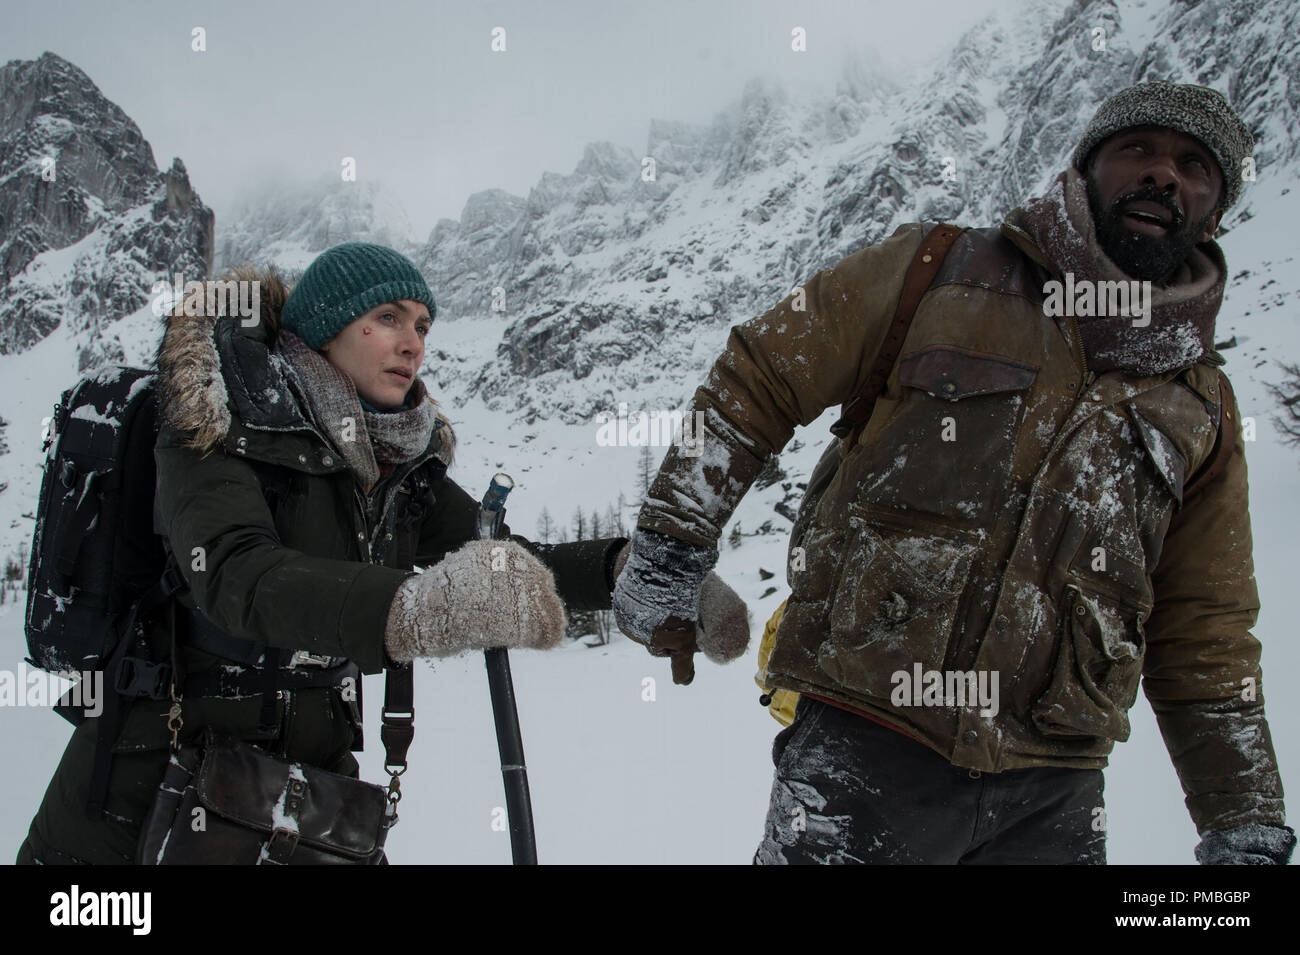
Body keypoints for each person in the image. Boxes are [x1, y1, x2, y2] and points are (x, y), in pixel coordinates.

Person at [613, 82, 1295, 865]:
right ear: (1086, 168)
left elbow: (1205, 632)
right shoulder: (936, 269)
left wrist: (1243, 815)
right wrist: (672, 541)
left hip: (1056, 796)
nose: (1162, 175)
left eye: (1193, 166)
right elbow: (761, 375)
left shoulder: (1202, 408)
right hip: (866, 741)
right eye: (1136, 150)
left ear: (1214, 213)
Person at [17, 241, 628, 864]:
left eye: (421, 325)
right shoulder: (215, 413)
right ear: (328, 327)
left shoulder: (400, 460)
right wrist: (418, 608)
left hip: (308, 794)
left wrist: (625, 574)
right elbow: (234, 573)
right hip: (146, 784)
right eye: (388, 318)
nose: (413, 342)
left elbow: (505, 561)